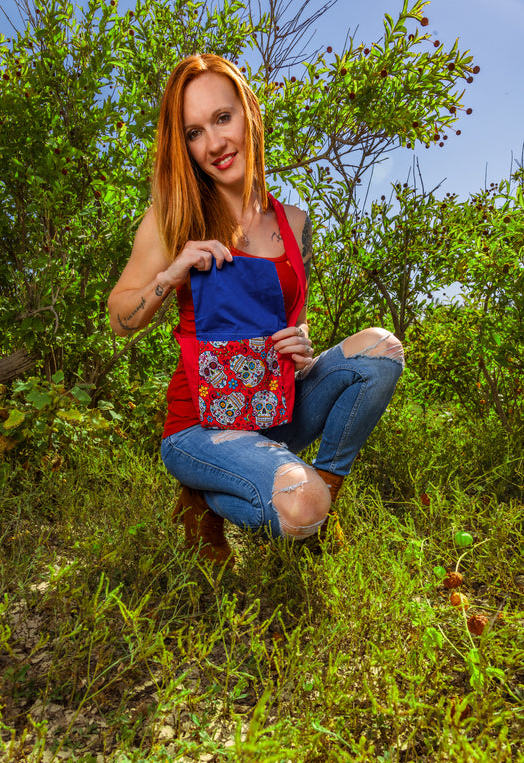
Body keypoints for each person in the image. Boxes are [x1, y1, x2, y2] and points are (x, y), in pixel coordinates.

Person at [107, 53, 404, 566]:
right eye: (195, 132)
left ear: (250, 115)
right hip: (201, 424)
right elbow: (119, 320)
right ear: (186, 146)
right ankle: (209, 501)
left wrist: (303, 348)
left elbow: (292, 320)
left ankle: (326, 491)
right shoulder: (171, 219)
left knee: (380, 348)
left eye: (223, 118)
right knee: (299, 509)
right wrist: (170, 274)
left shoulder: (295, 223)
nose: (215, 143)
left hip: (275, 407)